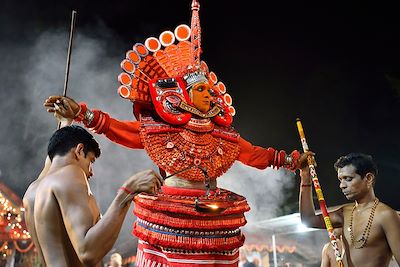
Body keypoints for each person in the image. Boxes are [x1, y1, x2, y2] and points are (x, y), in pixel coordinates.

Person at [43, 1, 308, 266]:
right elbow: (117, 129)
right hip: (170, 219)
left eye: (210, 90)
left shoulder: (222, 134)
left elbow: (255, 155)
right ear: (184, 94)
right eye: (202, 90)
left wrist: (292, 162)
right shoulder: (159, 129)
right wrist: (81, 113)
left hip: (213, 219)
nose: (210, 93)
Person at [23, 125, 163, 266]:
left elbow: (53, 156)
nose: (91, 172)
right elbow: (88, 253)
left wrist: (65, 122)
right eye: (91, 161)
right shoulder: (70, 173)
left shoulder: (32, 191)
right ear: (79, 150)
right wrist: (127, 192)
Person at [299, 153, 400, 267]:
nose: (342, 185)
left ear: (368, 178)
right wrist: (305, 177)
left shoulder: (386, 215)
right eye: (340, 180)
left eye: (348, 179)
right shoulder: (344, 213)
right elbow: (308, 220)